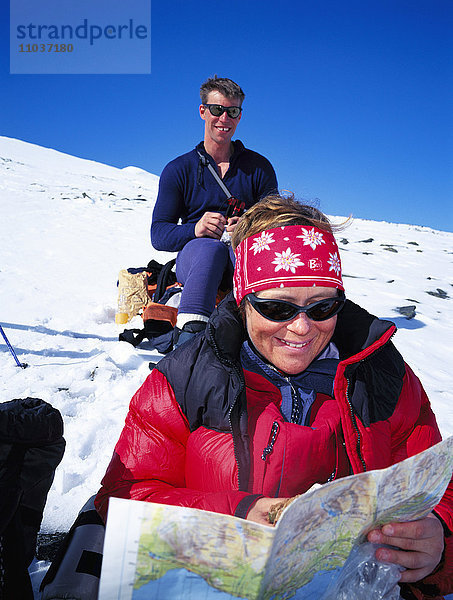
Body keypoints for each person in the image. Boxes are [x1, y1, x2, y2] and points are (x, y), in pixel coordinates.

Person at [96, 195, 453, 599]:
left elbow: (437, 485)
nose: (301, 328)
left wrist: (440, 537)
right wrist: (238, 514)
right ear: (243, 300)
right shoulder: (185, 379)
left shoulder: (383, 375)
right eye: (276, 308)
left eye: (323, 307)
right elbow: (126, 494)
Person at [150, 75, 278, 347]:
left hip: (244, 257)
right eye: (217, 109)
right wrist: (195, 229)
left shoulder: (259, 167)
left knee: (236, 251)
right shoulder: (178, 170)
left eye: (232, 111)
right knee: (210, 249)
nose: (224, 118)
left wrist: (248, 225)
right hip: (196, 259)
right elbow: (159, 234)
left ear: (240, 116)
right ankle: (189, 344)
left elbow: (276, 225)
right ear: (202, 111)